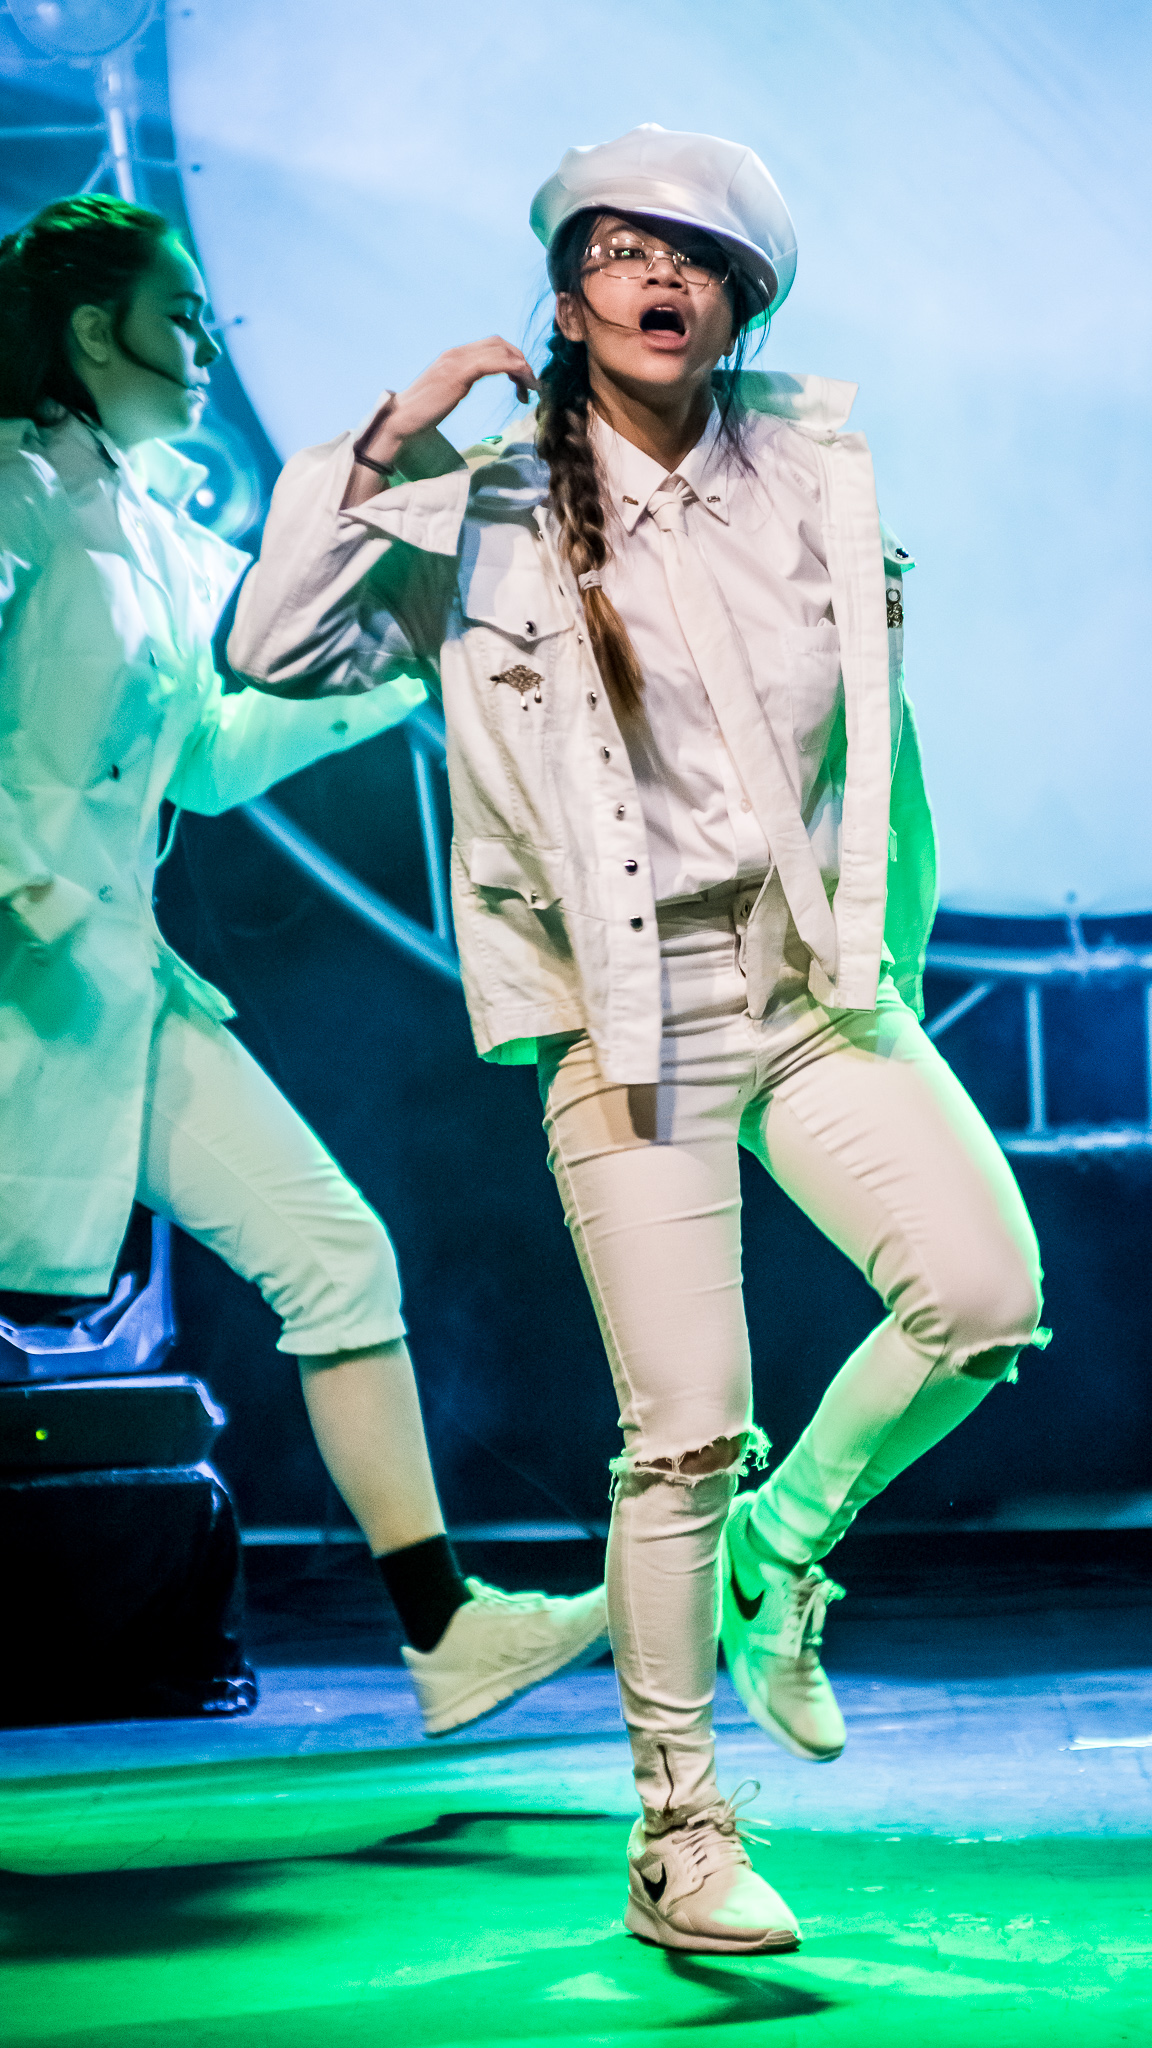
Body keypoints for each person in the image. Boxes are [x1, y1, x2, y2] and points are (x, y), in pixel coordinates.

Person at [229, 124, 1047, 1954]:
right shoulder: (476, 503)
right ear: (567, 293)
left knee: (983, 1301)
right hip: (625, 1011)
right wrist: (384, 440)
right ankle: (679, 1827)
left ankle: (786, 1543)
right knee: (682, 1428)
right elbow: (270, 652)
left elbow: (875, 757)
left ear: (739, 302)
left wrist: (883, 949)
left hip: (811, 984)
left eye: (696, 259)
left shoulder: (810, 470)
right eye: (620, 250)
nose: (660, 278)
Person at [0, 194, 607, 1736]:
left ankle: (445, 1631)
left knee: (335, 1257)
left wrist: (404, 669)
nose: (208, 343)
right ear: (93, 329)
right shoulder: (7, 494)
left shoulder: (146, 524)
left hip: (100, 996)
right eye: (183, 314)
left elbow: (207, 757)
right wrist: (30, 895)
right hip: (28, 971)